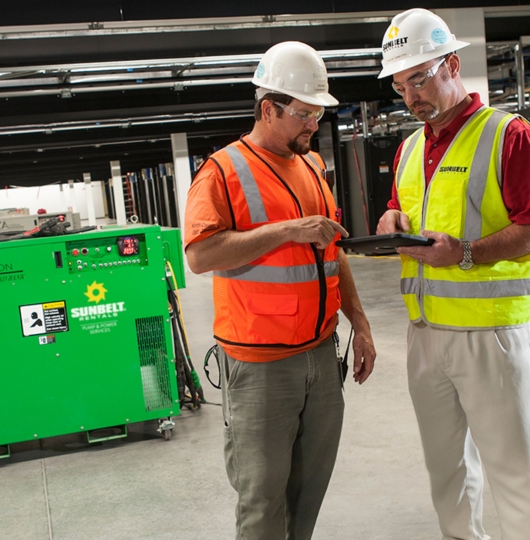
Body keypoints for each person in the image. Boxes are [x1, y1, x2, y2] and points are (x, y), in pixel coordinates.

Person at [374, 9, 530, 540]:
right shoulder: (410, 147)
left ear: (452, 65)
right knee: (447, 474)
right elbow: (400, 208)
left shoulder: (510, 135)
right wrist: (392, 221)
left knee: (517, 473)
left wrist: (466, 253)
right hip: (426, 333)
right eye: (401, 85)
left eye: (420, 78)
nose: (411, 96)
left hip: (493, 335)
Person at [183, 41, 376, 540]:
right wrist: (289, 231)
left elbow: (333, 251)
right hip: (259, 367)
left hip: (319, 355)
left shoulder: (312, 167)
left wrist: (361, 322)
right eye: (304, 114)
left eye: (317, 114)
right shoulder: (221, 172)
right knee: (262, 497)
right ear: (269, 109)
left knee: (308, 490)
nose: (314, 125)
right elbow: (201, 256)